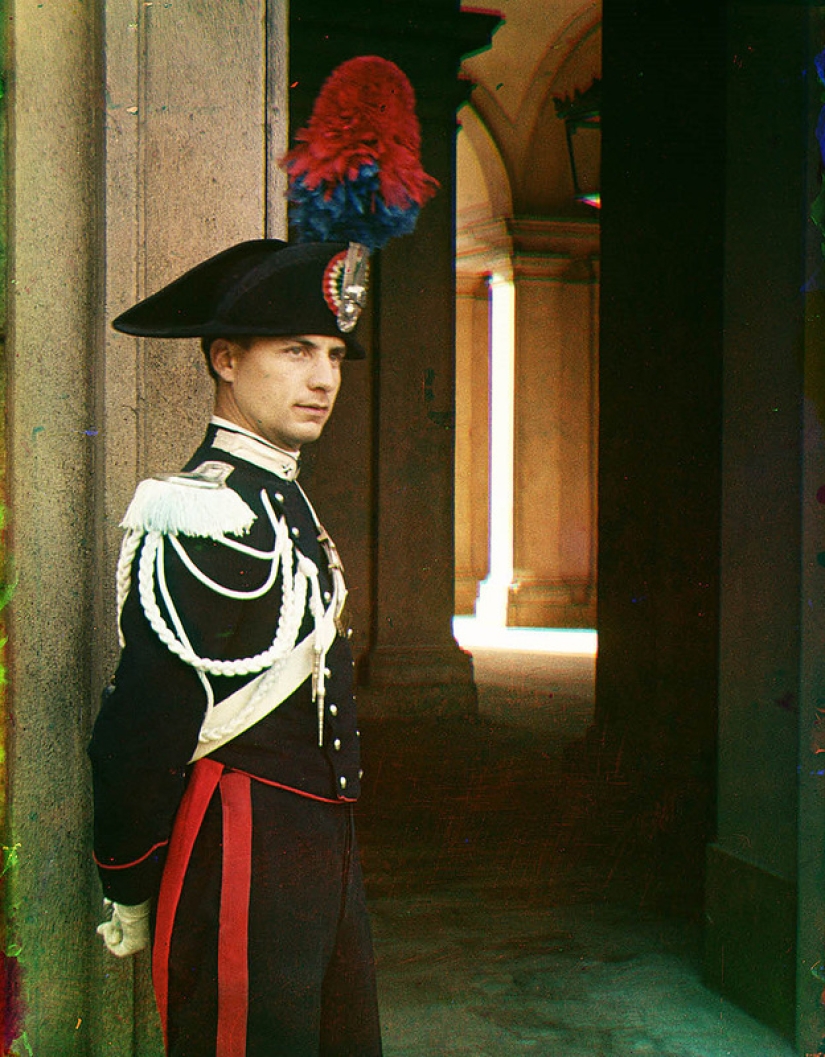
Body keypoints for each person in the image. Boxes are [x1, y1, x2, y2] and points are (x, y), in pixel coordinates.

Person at [88, 239, 383, 1057]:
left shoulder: (281, 498)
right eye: (295, 352)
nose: (322, 378)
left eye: (330, 355)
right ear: (225, 359)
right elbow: (142, 725)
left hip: (315, 854)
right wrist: (130, 876)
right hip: (241, 852)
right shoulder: (202, 516)